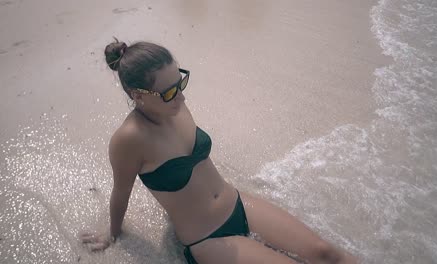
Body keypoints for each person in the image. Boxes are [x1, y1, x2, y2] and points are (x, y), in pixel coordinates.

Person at [79, 38, 357, 264]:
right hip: (207, 239)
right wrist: (112, 234)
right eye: (169, 92)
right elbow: (120, 193)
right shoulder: (128, 140)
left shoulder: (174, 104)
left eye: (181, 83)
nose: (182, 96)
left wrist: (171, 95)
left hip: (237, 204)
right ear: (138, 96)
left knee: (325, 253)